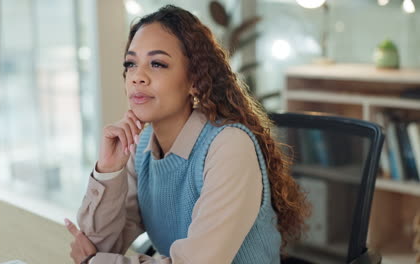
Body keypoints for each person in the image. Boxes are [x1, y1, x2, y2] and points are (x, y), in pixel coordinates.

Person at [64, 5, 309, 264]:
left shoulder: (229, 147)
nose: (137, 77)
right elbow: (98, 245)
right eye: (131, 64)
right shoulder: (142, 145)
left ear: (194, 80)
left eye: (157, 64)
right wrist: (109, 171)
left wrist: (97, 261)